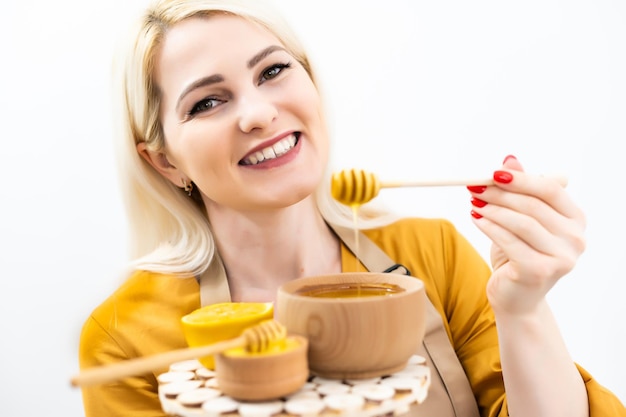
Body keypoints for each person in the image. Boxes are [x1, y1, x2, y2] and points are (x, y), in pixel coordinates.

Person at [77, 0, 625, 416]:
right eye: (208, 102)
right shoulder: (125, 338)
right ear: (165, 162)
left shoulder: (432, 253)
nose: (259, 114)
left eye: (272, 71)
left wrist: (523, 308)